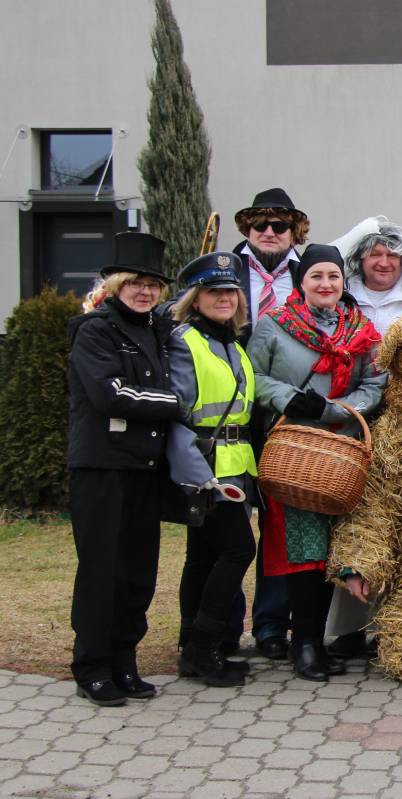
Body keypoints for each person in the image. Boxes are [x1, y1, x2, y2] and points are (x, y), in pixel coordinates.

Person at [248, 244, 386, 681]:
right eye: (316, 277)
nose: (326, 285)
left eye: (334, 277)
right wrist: (294, 399)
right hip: (295, 451)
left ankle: (324, 638)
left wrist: (341, 408)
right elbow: (253, 377)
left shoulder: (359, 330)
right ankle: (303, 643)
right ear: (301, 283)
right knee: (303, 550)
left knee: (335, 549)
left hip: (341, 451)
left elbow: (376, 381)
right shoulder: (273, 326)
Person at [67, 232, 183, 706]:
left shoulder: (155, 329)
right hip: (101, 468)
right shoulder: (95, 330)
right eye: (136, 282)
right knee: (102, 571)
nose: (146, 291)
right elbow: (111, 394)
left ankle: (125, 662)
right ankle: (92, 667)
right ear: (115, 284)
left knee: (139, 572)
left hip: (143, 468)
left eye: (154, 284)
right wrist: (177, 404)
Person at [167, 252, 259, 688]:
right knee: (239, 550)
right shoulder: (185, 341)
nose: (223, 298)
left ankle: (194, 648)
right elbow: (179, 413)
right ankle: (205, 648)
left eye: (229, 291)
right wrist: (195, 476)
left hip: (235, 466)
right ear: (195, 297)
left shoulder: (232, 342)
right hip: (204, 468)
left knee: (201, 556)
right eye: (213, 291)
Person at [231, 187, 311, 662]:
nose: (268, 232)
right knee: (230, 529)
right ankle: (219, 629)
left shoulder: (310, 275)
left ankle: (271, 626)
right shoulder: (223, 270)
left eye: (278, 225)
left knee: (281, 523)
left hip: (288, 413)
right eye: (259, 224)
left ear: (293, 231)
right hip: (231, 413)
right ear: (247, 229)